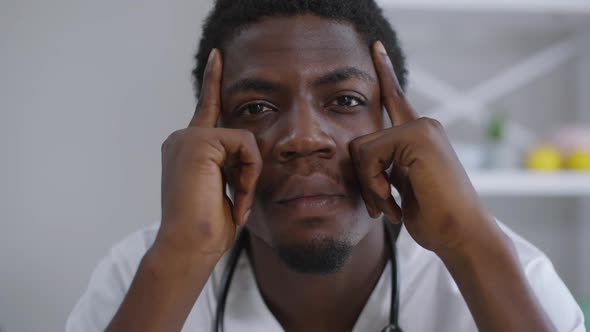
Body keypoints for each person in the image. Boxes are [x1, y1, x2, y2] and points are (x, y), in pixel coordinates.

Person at [66, 1, 586, 331]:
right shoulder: (141, 272)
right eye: (256, 108)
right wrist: (181, 256)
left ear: (393, 125)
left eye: (344, 100)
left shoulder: (508, 272)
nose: (304, 138)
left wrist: (469, 241)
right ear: (212, 139)